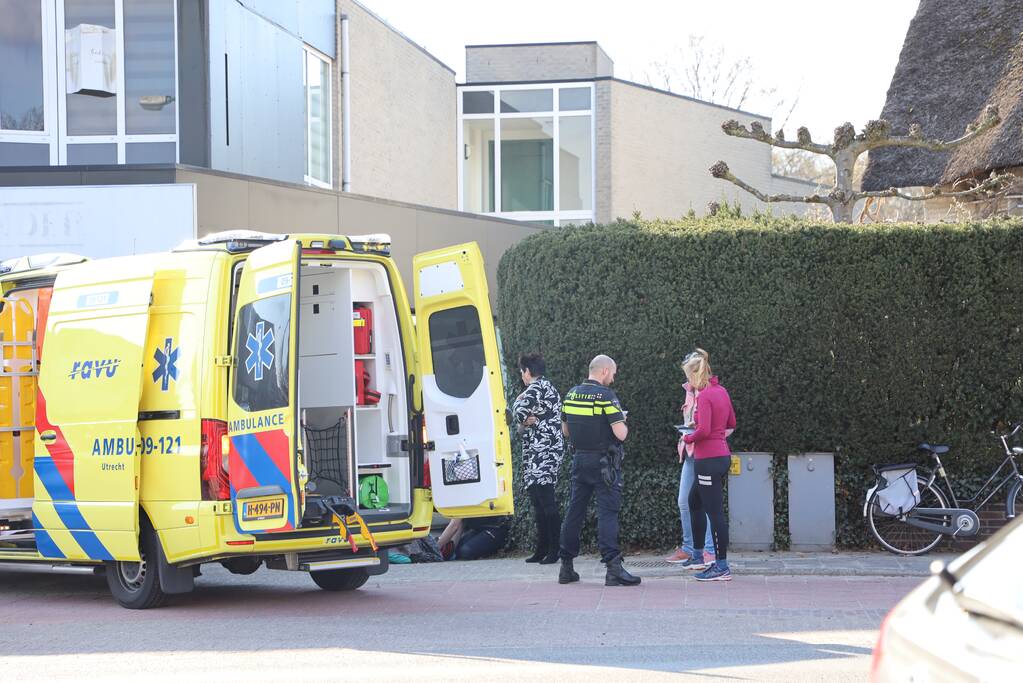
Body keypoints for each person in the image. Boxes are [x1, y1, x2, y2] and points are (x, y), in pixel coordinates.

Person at [557, 355, 641, 587]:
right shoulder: (605, 396)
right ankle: (613, 569)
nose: (613, 378)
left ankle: (566, 567)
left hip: (579, 460)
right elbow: (621, 434)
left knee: (574, 511)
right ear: (604, 371)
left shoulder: (571, 394)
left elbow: (565, 431)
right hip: (604, 463)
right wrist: (621, 418)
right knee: (607, 512)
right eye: (613, 373)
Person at [680, 349, 736, 581]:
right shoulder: (721, 391)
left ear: (695, 375)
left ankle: (721, 565)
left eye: (688, 377)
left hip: (708, 460)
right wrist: (701, 423)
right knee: (694, 501)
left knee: (714, 513)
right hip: (721, 456)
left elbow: (703, 431)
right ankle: (697, 556)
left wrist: (688, 436)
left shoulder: (704, 396)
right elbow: (730, 422)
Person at [512, 352, 564, 564]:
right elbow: (524, 419)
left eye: (522, 372)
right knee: (538, 500)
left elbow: (516, 413)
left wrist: (518, 403)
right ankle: (543, 548)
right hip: (541, 450)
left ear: (527, 371)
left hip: (543, 451)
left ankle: (554, 549)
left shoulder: (535, 388)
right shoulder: (546, 387)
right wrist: (525, 421)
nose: (522, 376)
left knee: (545, 501)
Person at [664, 379, 716, 566]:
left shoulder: (712, 392)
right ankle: (690, 548)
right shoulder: (689, 390)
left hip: (706, 453)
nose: (686, 378)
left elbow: (724, 425)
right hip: (690, 452)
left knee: (707, 503)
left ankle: (710, 551)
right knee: (684, 501)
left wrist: (699, 431)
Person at [437, 517, 510, 561]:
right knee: (458, 552)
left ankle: (495, 550)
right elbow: (460, 524)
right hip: (478, 530)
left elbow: (454, 526)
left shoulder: (463, 497)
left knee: (466, 551)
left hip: (496, 528)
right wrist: (452, 549)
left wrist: (434, 549)